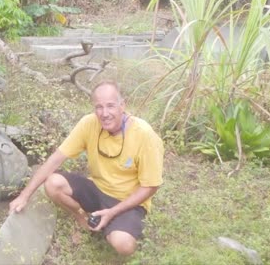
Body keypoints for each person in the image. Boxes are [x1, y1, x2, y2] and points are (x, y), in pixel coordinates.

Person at [9, 81, 164, 256]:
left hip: (128, 201)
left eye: (110, 106)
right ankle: (83, 220)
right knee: (53, 183)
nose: (104, 113)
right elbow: (55, 159)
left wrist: (112, 212)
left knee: (124, 245)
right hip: (97, 189)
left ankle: (112, 225)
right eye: (99, 107)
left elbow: (151, 186)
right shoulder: (89, 124)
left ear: (123, 105)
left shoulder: (144, 135)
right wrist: (24, 196)